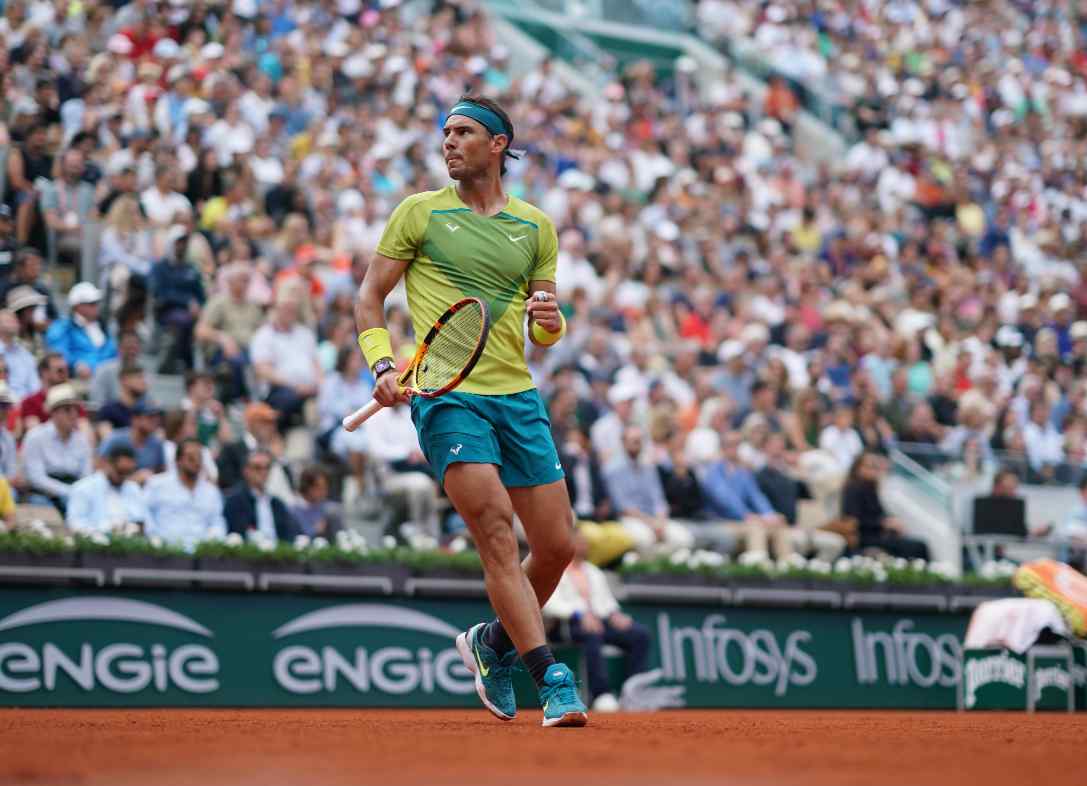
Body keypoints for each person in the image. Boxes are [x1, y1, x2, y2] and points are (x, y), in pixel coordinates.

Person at [353, 95, 586, 726]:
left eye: (463, 132)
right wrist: (380, 365)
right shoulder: (419, 214)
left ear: (499, 145)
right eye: (445, 133)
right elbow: (369, 298)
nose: (449, 142)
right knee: (494, 529)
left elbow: (544, 328)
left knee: (559, 545)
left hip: (516, 396)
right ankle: (551, 678)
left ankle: (491, 645)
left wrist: (552, 322)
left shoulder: (536, 226)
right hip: (445, 395)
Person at [542, 529, 652, 713]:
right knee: (592, 634)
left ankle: (633, 692)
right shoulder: (554, 569)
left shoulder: (593, 571)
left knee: (639, 635)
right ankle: (601, 693)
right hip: (564, 624)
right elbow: (549, 604)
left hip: (597, 622)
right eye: (578, 542)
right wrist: (578, 614)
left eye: (584, 542)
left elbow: (606, 602)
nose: (583, 545)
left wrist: (615, 614)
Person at [842, 452, 930, 560]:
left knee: (918, 544)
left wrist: (892, 523)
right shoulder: (853, 489)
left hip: (879, 535)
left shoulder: (871, 489)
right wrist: (884, 524)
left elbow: (880, 514)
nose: (874, 471)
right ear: (858, 469)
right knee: (917, 547)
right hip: (865, 537)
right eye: (870, 467)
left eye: (875, 467)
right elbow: (854, 520)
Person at [21, 383, 93, 514]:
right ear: (53, 412)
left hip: (74, 489)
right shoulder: (35, 436)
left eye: (75, 409)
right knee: (40, 503)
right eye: (67, 409)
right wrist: (68, 492)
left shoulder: (81, 440)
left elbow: (86, 475)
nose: (73, 414)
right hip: (43, 494)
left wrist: (76, 492)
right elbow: (36, 478)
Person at [144, 438, 225, 552]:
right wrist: (155, 540)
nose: (196, 461)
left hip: (201, 555)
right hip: (164, 554)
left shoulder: (211, 492)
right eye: (191, 457)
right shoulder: (157, 484)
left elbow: (217, 522)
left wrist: (210, 544)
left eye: (200, 458)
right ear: (178, 460)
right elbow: (145, 515)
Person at [66, 442, 148, 535]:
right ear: (108, 463)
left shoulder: (133, 489)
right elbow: (74, 523)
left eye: (128, 472)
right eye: (121, 472)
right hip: (95, 543)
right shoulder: (83, 487)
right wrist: (104, 531)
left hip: (128, 544)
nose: (124, 477)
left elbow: (141, 521)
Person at [223, 448, 300, 542]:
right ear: (246, 471)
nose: (263, 472)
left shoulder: (277, 504)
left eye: (267, 467)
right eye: (257, 467)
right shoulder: (234, 502)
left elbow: (290, 533)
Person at [44, 282, 117, 380]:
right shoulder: (63, 327)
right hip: (79, 381)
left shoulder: (103, 326)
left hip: (109, 377)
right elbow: (58, 353)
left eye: (96, 303)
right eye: (91, 304)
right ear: (78, 306)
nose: (96, 307)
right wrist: (76, 365)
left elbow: (114, 352)